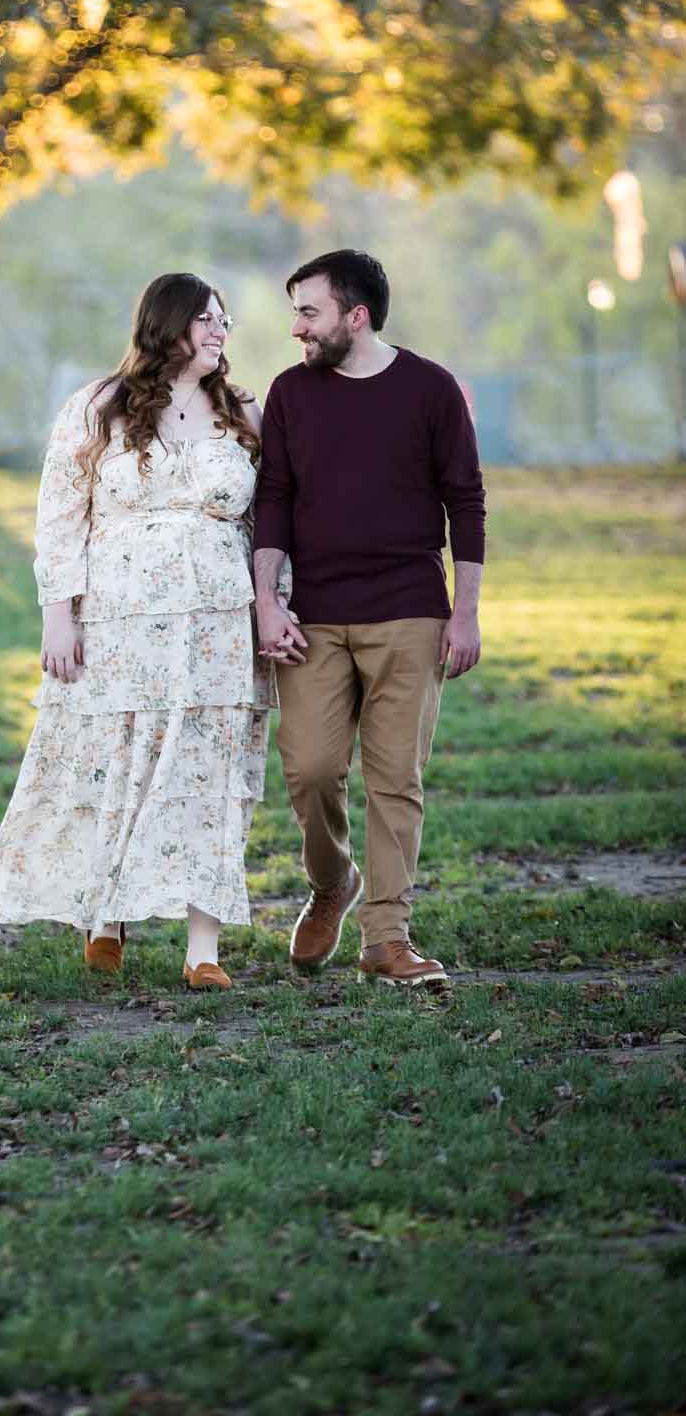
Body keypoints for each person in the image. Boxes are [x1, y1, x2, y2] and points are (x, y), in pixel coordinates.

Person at [0, 272, 277, 991]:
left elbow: (271, 524)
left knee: (209, 773)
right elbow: (59, 515)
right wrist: (57, 614)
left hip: (214, 627)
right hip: (117, 622)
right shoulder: (97, 407)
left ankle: (203, 946)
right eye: (203, 319)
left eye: (223, 321)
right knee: (111, 764)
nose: (218, 332)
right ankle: (103, 913)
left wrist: (274, 603)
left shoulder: (241, 412)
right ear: (163, 325)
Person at [253, 249, 485, 989]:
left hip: (408, 611)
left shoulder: (430, 389)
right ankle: (332, 881)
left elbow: (465, 503)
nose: (296, 328)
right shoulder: (290, 392)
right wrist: (267, 600)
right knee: (310, 767)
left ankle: (386, 937)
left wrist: (464, 614)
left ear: (355, 316)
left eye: (308, 312)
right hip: (313, 616)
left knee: (394, 781)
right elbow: (275, 500)